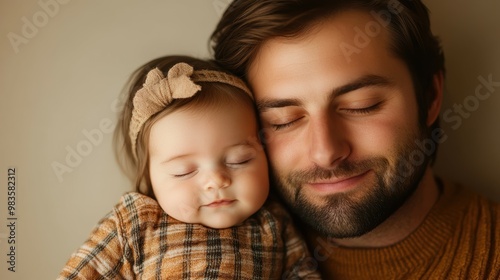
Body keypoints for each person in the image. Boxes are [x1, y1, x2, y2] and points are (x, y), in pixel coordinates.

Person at [211, 0, 500, 279]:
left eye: (361, 105)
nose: (325, 152)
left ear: (430, 97)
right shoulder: (196, 249)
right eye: (283, 121)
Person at [58, 55, 321, 279]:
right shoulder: (134, 224)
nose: (216, 181)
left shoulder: (275, 222)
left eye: (239, 160)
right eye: (184, 171)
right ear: (149, 175)